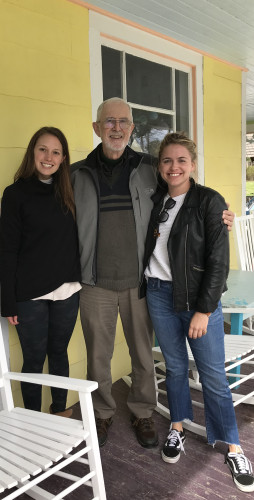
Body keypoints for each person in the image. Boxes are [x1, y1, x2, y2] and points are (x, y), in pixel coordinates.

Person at [71, 98, 235, 448]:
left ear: (131, 128)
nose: (117, 127)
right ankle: (102, 414)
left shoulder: (149, 168)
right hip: (94, 282)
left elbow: (184, 195)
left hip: (142, 283)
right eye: (109, 121)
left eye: (124, 122)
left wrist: (218, 216)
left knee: (143, 354)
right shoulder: (76, 174)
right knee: (98, 354)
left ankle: (143, 411)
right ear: (97, 128)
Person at [142, 132, 254, 493]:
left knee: (212, 374)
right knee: (174, 366)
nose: (173, 167)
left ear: (192, 164)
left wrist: (204, 310)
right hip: (158, 294)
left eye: (181, 160)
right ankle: (178, 426)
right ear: (159, 166)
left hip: (196, 301)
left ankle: (233, 446)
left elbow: (219, 262)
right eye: (166, 161)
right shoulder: (155, 200)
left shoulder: (209, 202)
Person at [0, 126, 81, 417]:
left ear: (63, 158)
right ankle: (32, 419)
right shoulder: (15, 194)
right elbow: (8, 250)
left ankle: (59, 410)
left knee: (58, 353)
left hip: (68, 289)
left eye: (56, 152)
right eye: (42, 149)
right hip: (29, 294)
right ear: (32, 152)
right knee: (33, 359)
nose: (48, 157)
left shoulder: (70, 191)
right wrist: (7, 300)